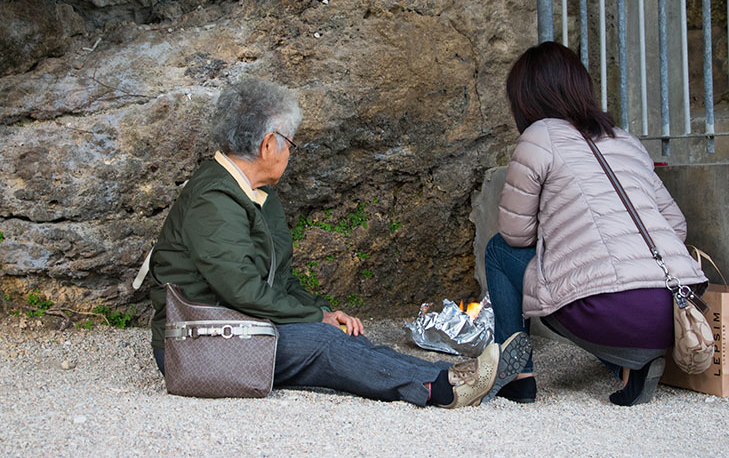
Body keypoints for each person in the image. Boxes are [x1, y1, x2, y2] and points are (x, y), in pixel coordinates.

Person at [148, 77, 531, 407]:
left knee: (336, 335)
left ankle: (454, 378)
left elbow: (278, 282)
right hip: (202, 345)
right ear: (268, 144)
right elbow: (242, 290)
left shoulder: (259, 196)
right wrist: (317, 319)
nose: (290, 153)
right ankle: (442, 388)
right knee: (323, 343)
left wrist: (324, 311)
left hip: (239, 328)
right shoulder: (214, 199)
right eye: (290, 144)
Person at [485, 42, 707, 406]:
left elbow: (515, 235)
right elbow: (676, 227)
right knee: (595, 285)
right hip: (674, 311)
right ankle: (632, 364)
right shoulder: (625, 140)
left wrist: (559, 233)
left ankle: (516, 375)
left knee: (498, 250)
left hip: (611, 310)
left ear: (525, 99)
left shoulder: (539, 137)